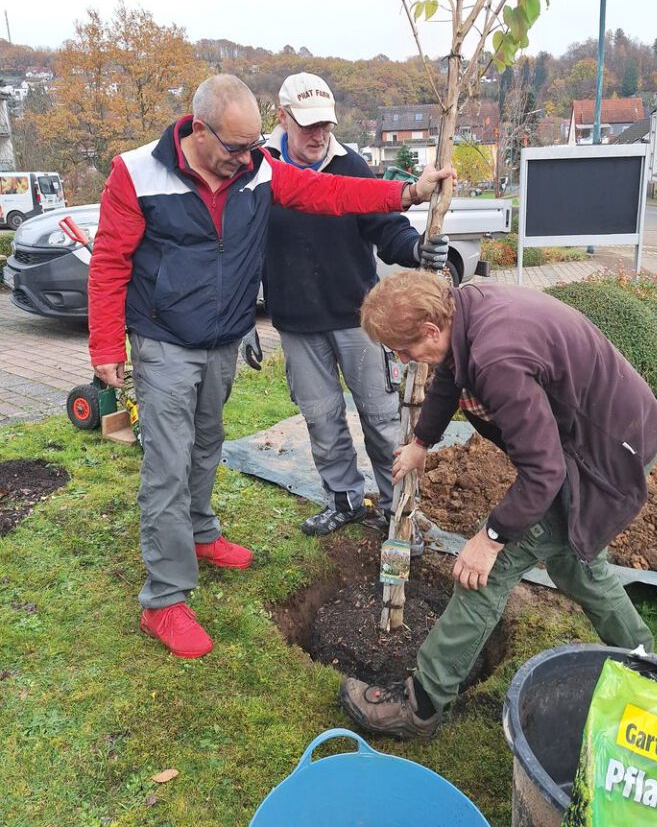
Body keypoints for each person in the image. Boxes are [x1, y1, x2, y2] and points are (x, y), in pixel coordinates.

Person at [87, 75, 453, 660]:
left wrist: (406, 193)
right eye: (235, 147)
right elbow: (109, 260)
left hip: (220, 339)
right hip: (164, 339)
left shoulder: (255, 169)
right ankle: (164, 598)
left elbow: (329, 193)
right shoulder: (137, 173)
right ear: (199, 130)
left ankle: (199, 532)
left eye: (253, 146)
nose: (247, 158)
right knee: (167, 464)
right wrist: (106, 343)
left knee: (207, 444)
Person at [340, 270, 657, 739]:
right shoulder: (463, 310)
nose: (403, 359)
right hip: (609, 431)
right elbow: (450, 375)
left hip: (607, 451)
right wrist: (422, 442)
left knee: (482, 573)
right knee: (576, 566)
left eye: (404, 350)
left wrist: (491, 538)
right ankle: (649, 668)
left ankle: (421, 705)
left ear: (431, 329)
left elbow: (545, 472)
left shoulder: (496, 359)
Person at [252, 71, 449, 546]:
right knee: (321, 418)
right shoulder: (260, 171)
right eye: (308, 126)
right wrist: (243, 319)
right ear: (282, 118)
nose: (319, 135)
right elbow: (244, 246)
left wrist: (415, 248)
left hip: (358, 320)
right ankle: (342, 498)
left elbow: (385, 226)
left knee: (382, 420)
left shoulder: (351, 166)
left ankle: (396, 508)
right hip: (297, 322)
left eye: (326, 124)